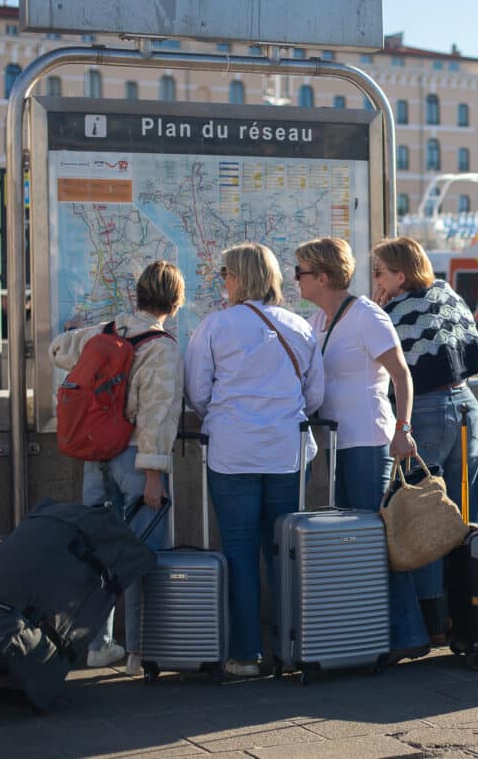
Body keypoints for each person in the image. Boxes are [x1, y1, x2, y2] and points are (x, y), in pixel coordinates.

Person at [184, 243, 324, 678]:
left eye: (224, 272)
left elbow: (197, 391)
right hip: (286, 453)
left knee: (240, 554)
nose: (220, 279)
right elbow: (315, 395)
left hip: (232, 455)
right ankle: (290, 648)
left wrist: (227, 416)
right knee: (284, 553)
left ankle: (246, 654)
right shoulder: (299, 326)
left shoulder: (214, 326)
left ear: (238, 277)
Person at [294, 237, 428, 661]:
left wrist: (403, 429)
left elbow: (402, 376)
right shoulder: (318, 320)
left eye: (301, 271)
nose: (294, 278)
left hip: (370, 441)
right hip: (338, 444)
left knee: (380, 541)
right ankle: (371, 632)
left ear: (323, 276)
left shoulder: (366, 315)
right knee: (358, 543)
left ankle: (408, 635)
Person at [50, 260, 186, 676]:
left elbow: (59, 349)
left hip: (97, 458)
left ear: (138, 293)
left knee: (98, 553)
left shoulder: (107, 331)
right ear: (175, 301)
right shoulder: (161, 347)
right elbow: (157, 415)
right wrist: (153, 476)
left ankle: (98, 644)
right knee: (144, 554)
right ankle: (141, 651)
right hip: (134, 460)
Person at [371, 236, 478, 639]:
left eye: (380, 272)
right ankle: (472, 607)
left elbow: (379, 360)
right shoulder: (447, 293)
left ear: (400, 273)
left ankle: (432, 619)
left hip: (428, 412)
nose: (376, 279)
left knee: (425, 514)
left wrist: (378, 310)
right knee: (465, 510)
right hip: (466, 403)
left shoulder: (392, 310)